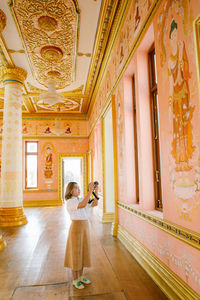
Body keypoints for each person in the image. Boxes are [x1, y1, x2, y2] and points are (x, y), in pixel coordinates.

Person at [64, 181, 98, 289]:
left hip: (85, 227)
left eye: (79, 188)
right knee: (75, 253)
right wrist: (89, 191)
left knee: (83, 252)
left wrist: (95, 191)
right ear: (70, 190)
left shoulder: (81, 199)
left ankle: (81, 276)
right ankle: (75, 279)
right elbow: (83, 204)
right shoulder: (70, 202)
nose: (79, 189)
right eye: (76, 188)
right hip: (76, 228)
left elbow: (95, 203)